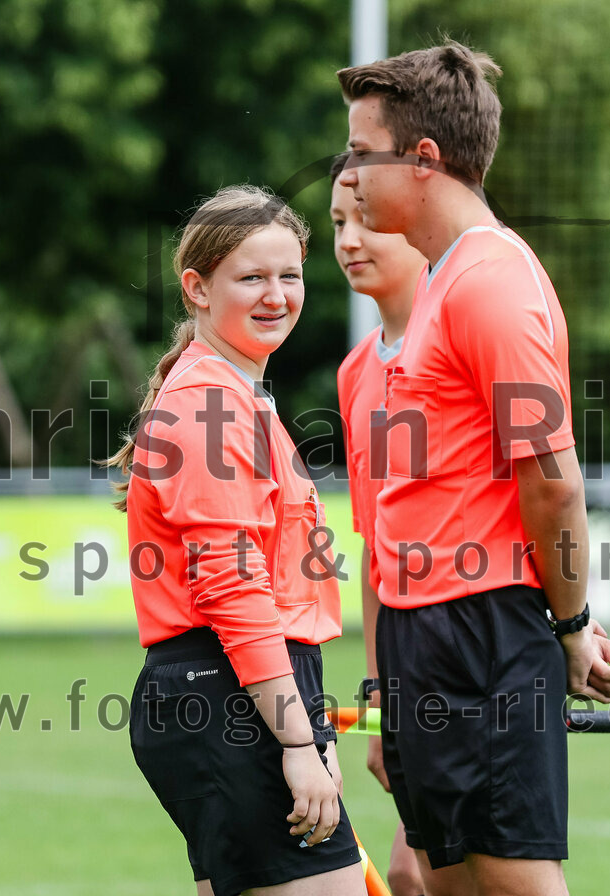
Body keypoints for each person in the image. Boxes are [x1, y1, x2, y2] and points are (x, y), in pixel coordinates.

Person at [336, 43, 610, 896]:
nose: (352, 179)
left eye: (365, 155)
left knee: (512, 880)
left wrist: (572, 623)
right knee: (445, 880)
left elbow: (552, 477)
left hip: (483, 627)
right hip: (422, 631)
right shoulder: (441, 283)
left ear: (425, 160)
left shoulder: (491, 281)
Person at [107, 186, 366, 896]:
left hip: (247, 695)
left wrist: (317, 731)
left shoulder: (239, 396)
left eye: (290, 275)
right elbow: (232, 589)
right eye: (251, 277)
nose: (277, 295)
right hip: (224, 697)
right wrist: (295, 741)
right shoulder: (211, 404)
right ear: (197, 288)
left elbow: (282, 597)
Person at [330, 153, 433, 896]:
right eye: (337, 222)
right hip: (409, 657)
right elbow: (375, 545)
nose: (348, 239)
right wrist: (378, 688)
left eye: (366, 219)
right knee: (408, 872)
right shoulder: (355, 370)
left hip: (482, 648)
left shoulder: (462, 335)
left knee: (414, 867)